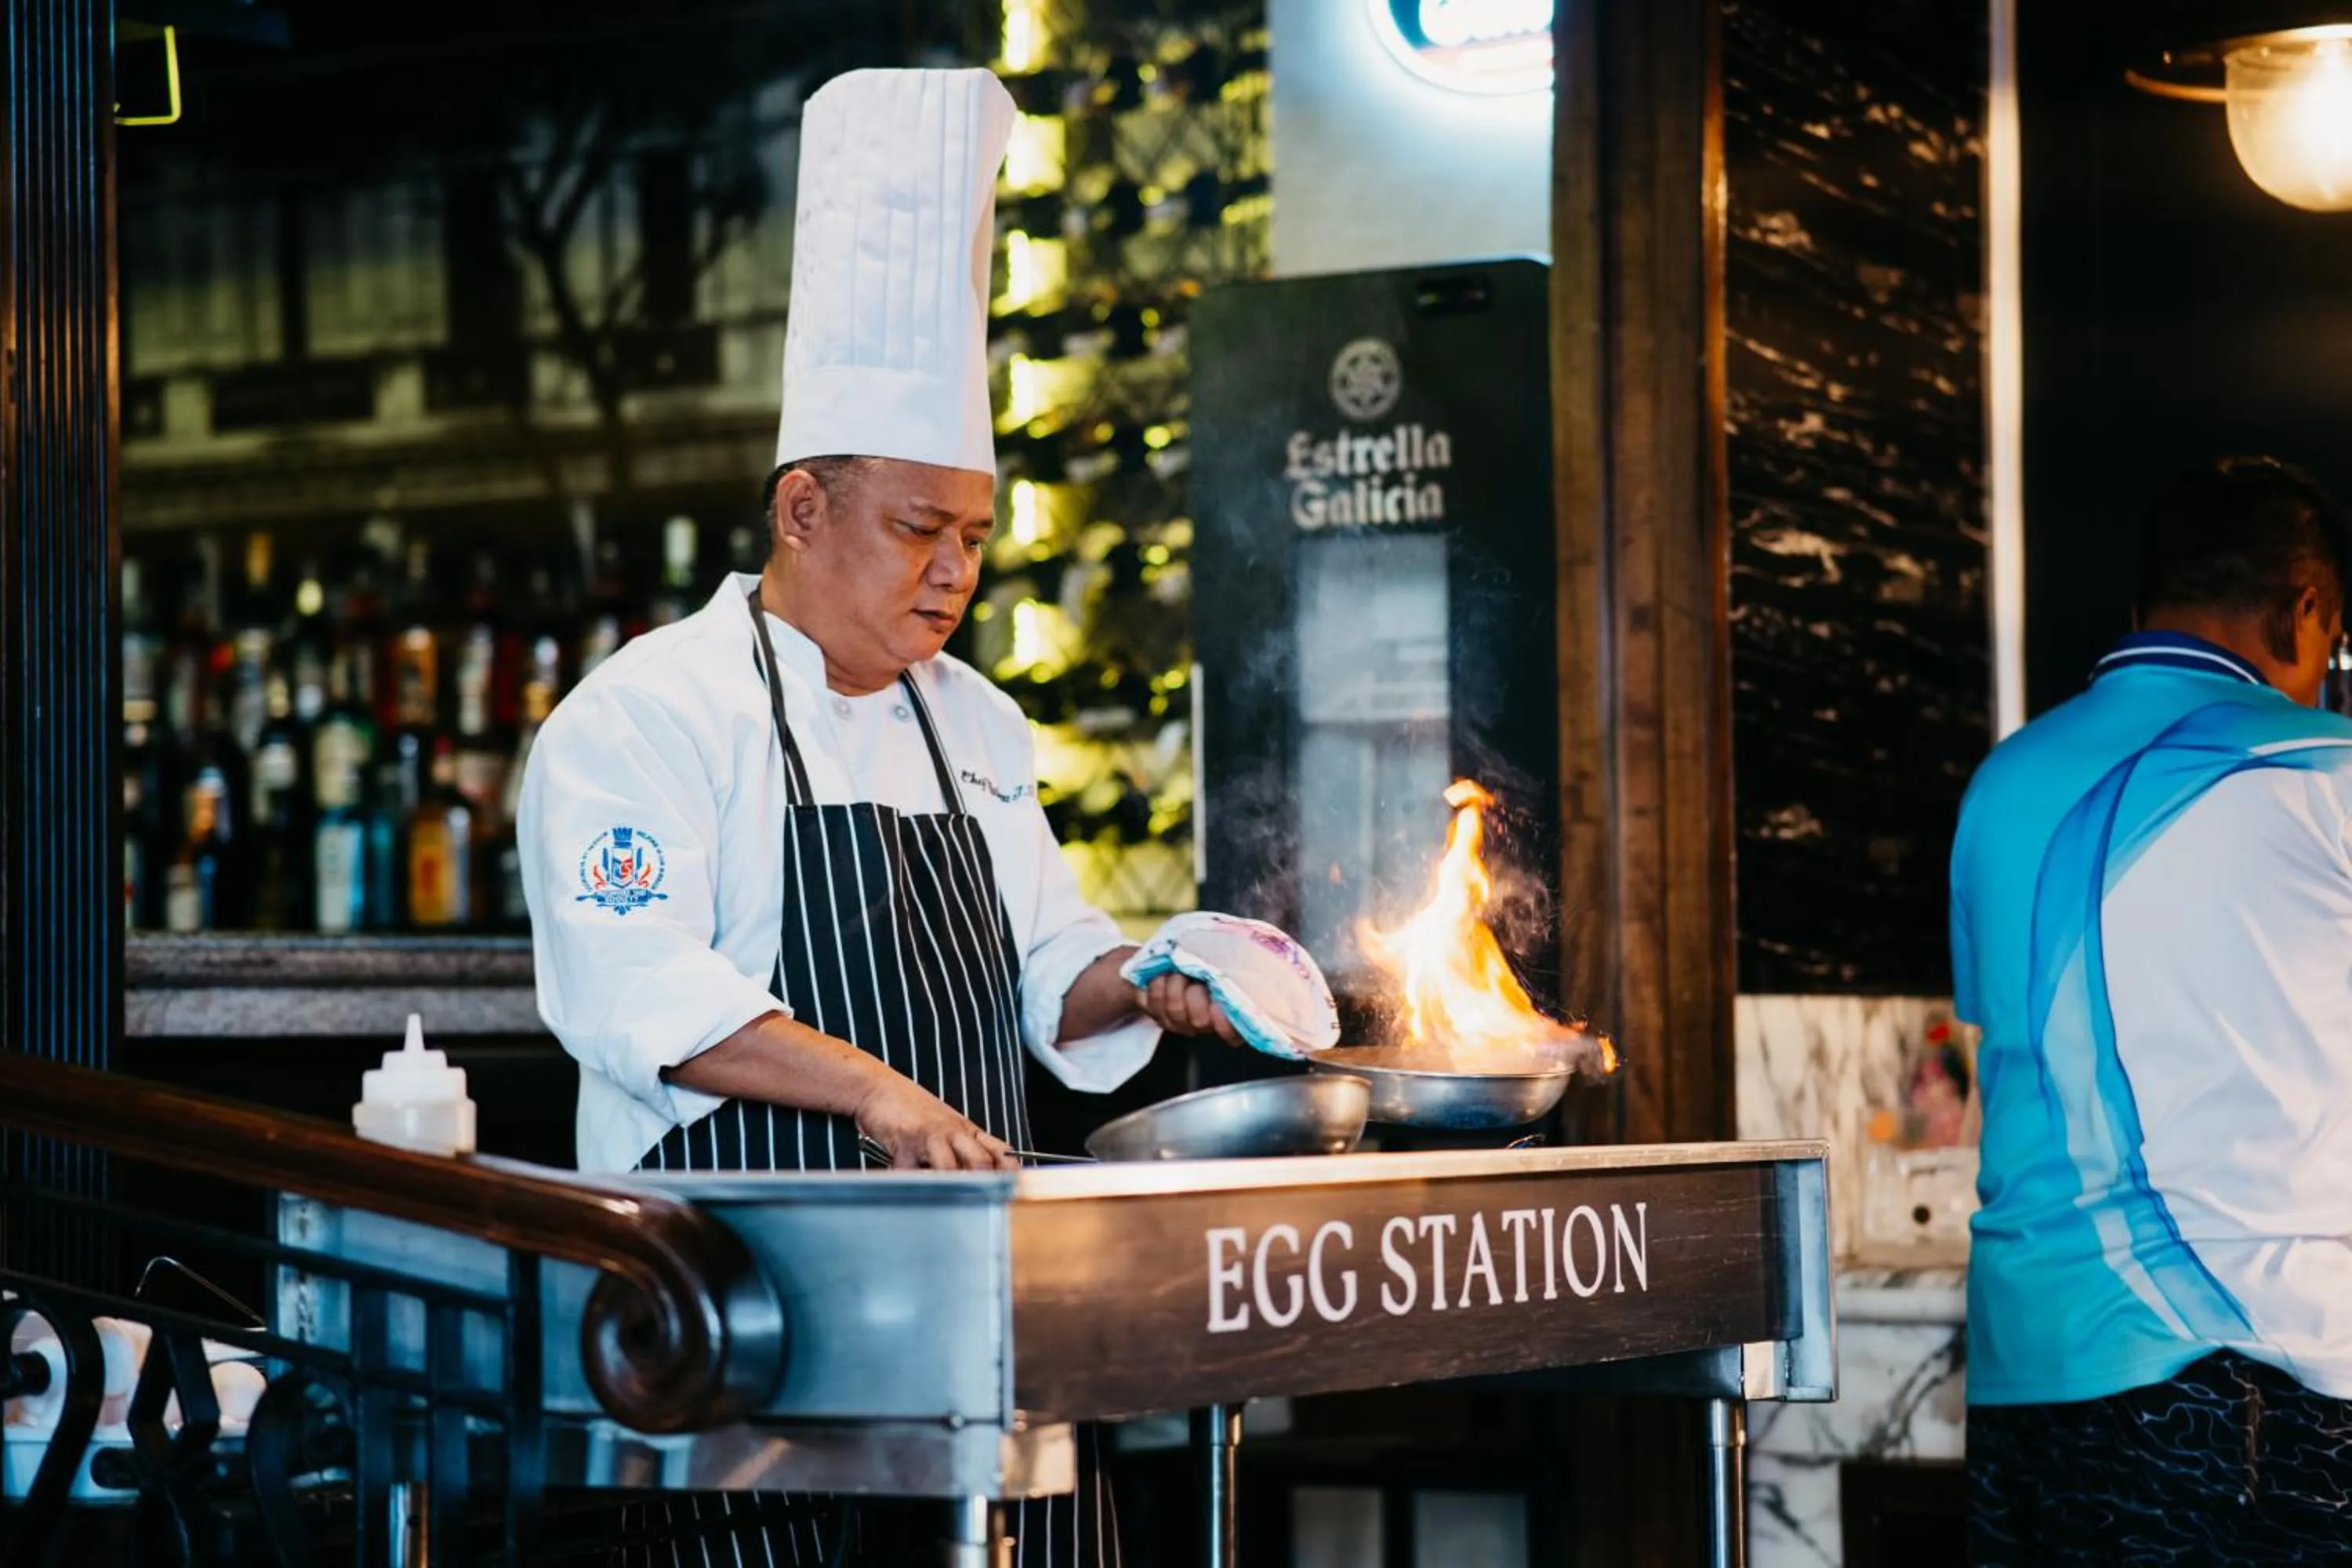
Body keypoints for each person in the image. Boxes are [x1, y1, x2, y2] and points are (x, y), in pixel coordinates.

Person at [519, 67, 1254, 1567]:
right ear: (803, 510)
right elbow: (636, 991)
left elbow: (1049, 967)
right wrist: (877, 1093)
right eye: (919, 529)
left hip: (976, 1330)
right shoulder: (647, 714)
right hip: (744, 1328)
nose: (954, 573)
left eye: (974, 536)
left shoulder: (974, 718)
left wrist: (1151, 977)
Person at [1951, 457, 2352, 1563]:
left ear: (2144, 603)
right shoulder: (2326, 773)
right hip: (2259, 1376)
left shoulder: (2000, 785)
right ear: (2305, 611)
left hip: (2030, 1382)